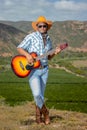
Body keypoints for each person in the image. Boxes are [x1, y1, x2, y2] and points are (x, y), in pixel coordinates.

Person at [17, 16, 62, 125]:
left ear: (47, 27)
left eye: (44, 26)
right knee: (37, 94)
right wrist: (27, 55)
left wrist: (55, 53)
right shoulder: (31, 37)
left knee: (40, 95)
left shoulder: (49, 39)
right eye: (40, 26)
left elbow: (48, 57)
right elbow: (19, 48)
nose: (42, 27)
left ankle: (38, 118)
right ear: (37, 27)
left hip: (45, 70)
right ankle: (46, 113)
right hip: (33, 71)